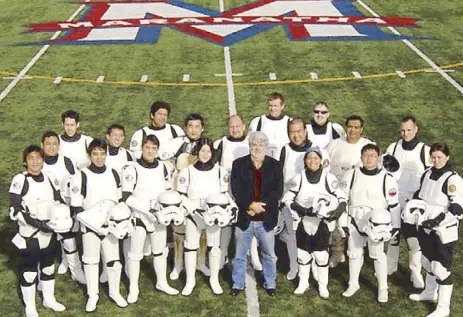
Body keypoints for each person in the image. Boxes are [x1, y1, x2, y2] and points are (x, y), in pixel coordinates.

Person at [70, 139, 127, 312]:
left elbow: (119, 201)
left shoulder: (114, 173)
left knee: (114, 262)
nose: (99, 157)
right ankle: (93, 295)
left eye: (103, 153)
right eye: (95, 153)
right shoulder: (81, 175)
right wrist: (94, 225)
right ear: (89, 154)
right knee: (90, 261)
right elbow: (76, 207)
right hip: (90, 227)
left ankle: (115, 292)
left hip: (111, 227)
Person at [9, 145, 66, 317]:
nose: (35, 161)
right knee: (29, 271)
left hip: (49, 233)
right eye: (31, 158)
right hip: (30, 234)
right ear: (25, 161)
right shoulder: (20, 179)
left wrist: (60, 219)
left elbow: (59, 200)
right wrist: (37, 223)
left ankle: (48, 299)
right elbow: (14, 210)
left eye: (38, 158)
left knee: (48, 268)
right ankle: (30, 306)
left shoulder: (49, 177)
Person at [282, 146, 346, 298]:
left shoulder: (329, 178)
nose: (312, 161)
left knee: (321, 256)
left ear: (321, 161)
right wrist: (299, 208)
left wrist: (335, 213)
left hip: (321, 223)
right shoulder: (299, 178)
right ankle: (303, 283)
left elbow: (342, 199)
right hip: (303, 222)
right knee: (303, 255)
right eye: (309, 158)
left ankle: (323, 285)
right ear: (305, 160)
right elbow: (287, 198)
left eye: (316, 158)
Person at [122, 135, 178, 304]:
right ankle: (133, 287)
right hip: (139, 217)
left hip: (158, 217)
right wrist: (147, 210)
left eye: (154, 148)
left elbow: (168, 192)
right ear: (142, 147)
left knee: (160, 252)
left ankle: (162, 282)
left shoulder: (162, 167)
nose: (150, 151)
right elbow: (126, 196)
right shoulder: (131, 168)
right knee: (135, 254)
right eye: (147, 147)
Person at [408, 143, 463, 317]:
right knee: (426, 262)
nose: (436, 160)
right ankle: (430, 292)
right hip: (425, 227)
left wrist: (437, 221)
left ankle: (443, 308)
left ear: (447, 157)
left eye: (440, 157)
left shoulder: (453, 179)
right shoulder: (426, 173)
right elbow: (419, 195)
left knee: (440, 268)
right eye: (433, 157)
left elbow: (457, 209)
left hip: (444, 230)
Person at [341, 144, 400, 303]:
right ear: (361, 157)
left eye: (372, 155)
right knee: (353, 253)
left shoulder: (387, 179)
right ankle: (353, 284)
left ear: (379, 157)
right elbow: (342, 200)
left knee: (377, 255)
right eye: (366, 155)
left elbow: (394, 205)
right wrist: (343, 223)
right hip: (355, 220)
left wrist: (396, 226)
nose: (369, 158)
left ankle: (383, 288)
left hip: (377, 225)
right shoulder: (351, 175)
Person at [177, 138, 234, 296]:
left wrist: (229, 208)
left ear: (212, 153)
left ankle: (214, 279)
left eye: (208, 151)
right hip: (193, 215)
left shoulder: (220, 171)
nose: (205, 154)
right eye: (202, 150)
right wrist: (192, 208)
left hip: (213, 215)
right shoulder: (187, 171)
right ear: (197, 151)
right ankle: (190, 281)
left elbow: (224, 194)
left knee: (214, 248)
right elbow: (181, 195)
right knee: (190, 247)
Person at [230, 132, 284, 297]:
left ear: (266, 147)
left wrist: (261, 206)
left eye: (261, 144)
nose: (258, 147)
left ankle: (270, 283)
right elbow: (236, 189)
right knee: (239, 255)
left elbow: (278, 191)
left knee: (269, 255)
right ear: (250, 145)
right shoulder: (238, 164)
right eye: (254, 144)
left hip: (265, 219)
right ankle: (237, 284)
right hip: (245, 218)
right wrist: (250, 205)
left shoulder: (275, 165)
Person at [158, 113, 210, 280]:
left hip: (199, 195)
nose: (193, 130)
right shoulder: (177, 144)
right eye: (190, 126)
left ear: (202, 128)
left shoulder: (207, 145)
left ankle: (200, 262)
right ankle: (178, 264)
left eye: (197, 126)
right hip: (180, 193)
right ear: (186, 127)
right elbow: (163, 159)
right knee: (179, 231)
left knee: (202, 232)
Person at [278, 118, 330, 280]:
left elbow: (325, 178)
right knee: (293, 236)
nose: (296, 135)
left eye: (299, 131)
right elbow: (279, 176)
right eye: (292, 132)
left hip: (314, 206)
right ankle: (295, 267)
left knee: (315, 236)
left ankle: (316, 267)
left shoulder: (318, 150)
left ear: (305, 131)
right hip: (292, 204)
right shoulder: (285, 150)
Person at [384, 115, 431, 287]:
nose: (406, 134)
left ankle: (415, 272)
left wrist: (419, 199)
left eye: (409, 130)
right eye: (403, 130)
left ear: (416, 129)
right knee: (393, 235)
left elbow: (429, 177)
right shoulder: (393, 147)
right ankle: (390, 266)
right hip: (395, 200)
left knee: (414, 240)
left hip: (415, 203)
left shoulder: (424, 151)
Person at [326, 115, 375, 268]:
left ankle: (361, 253)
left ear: (362, 129)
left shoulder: (368, 145)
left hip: (358, 192)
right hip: (335, 190)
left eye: (356, 127)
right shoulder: (334, 144)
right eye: (350, 127)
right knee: (335, 222)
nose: (352, 130)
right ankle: (337, 252)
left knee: (356, 222)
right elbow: (326, 165)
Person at [41, 131, 86, 284]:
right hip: (46, 206)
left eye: (55, 144)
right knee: (46, 239)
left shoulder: (67, 161)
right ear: (42, 145)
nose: (52, 147)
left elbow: (75, 181)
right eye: (48, 144)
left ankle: (73, 267)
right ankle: (43, 275)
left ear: (59, 146)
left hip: (64, 204)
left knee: (68, 235)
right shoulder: (38, 161)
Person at [214, 115, 258, 270]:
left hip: (247, 192)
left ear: (244, 126)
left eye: (238, 126)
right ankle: (223, 253)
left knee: (249, 221)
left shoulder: (251, 143)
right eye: (231, 126)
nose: (235, 129)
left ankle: (253, 254)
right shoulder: (221, 143)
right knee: (225, 223)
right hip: (226, 191)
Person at [247, 92, 291, 159]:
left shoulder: (289, 122)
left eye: (275, 106)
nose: (272, 109)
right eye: (270, 106)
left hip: (283, 162)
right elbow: (249, 143)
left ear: (282, 106)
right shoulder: (258, 121)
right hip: (262, 162)